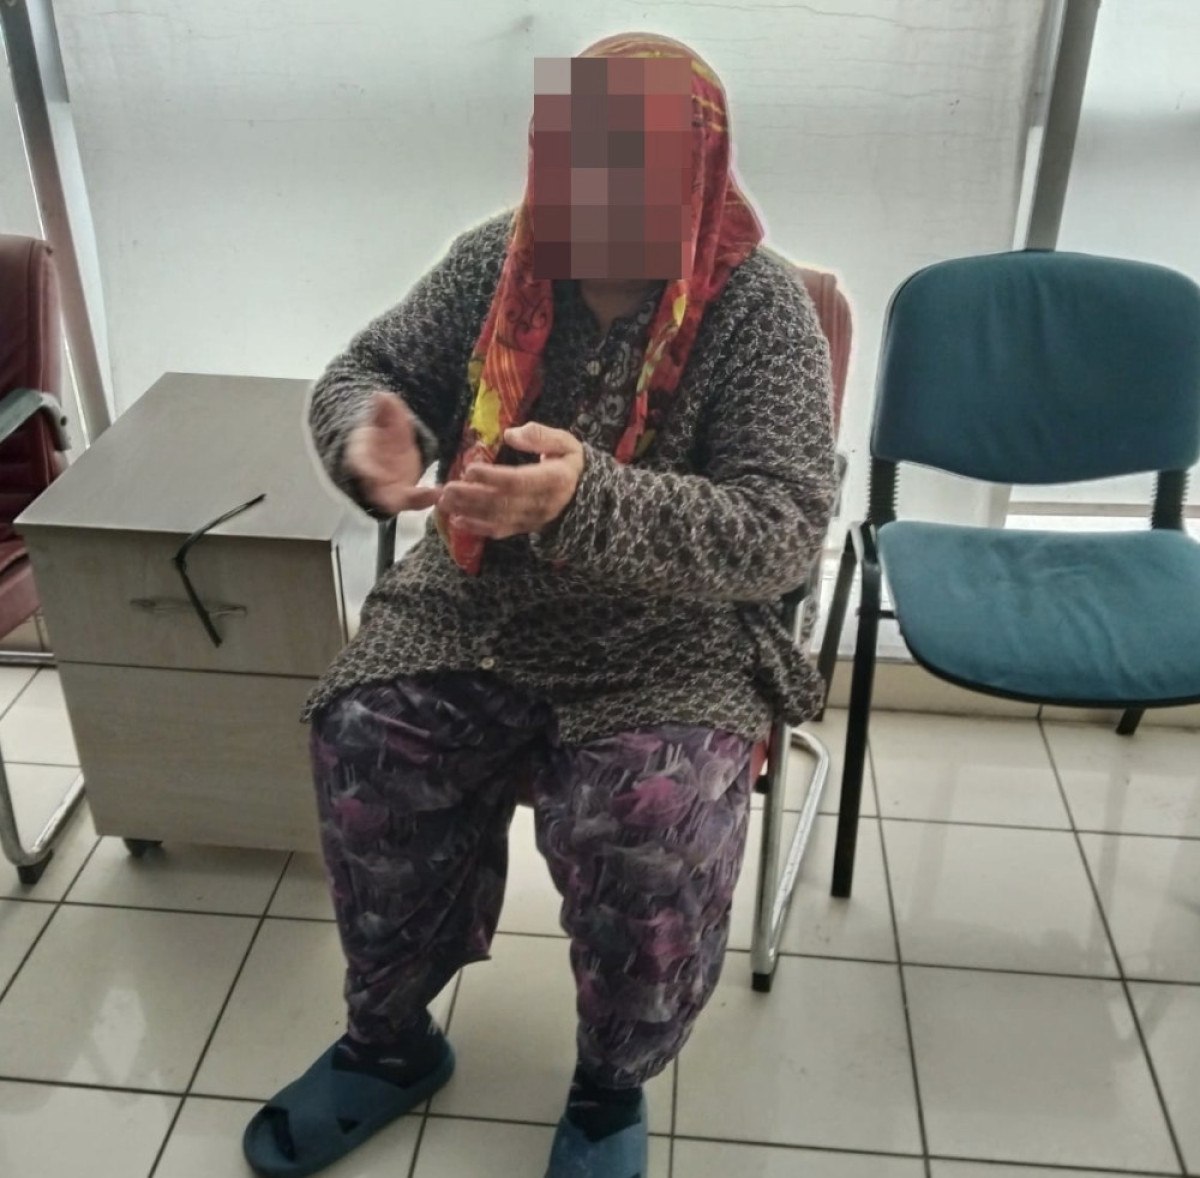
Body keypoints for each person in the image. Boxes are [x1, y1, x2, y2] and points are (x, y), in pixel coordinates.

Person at [243, 29, 836, 1178]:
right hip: (478, 597)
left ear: (698, 172)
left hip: (672, 631)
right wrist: (368, 428)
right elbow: (369, 370)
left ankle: (611, 1087)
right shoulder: (496, 262)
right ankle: (389, 1038)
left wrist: (584, 499)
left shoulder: (758, 311)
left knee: (646, 823)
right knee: (366, 737)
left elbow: (781, 527)